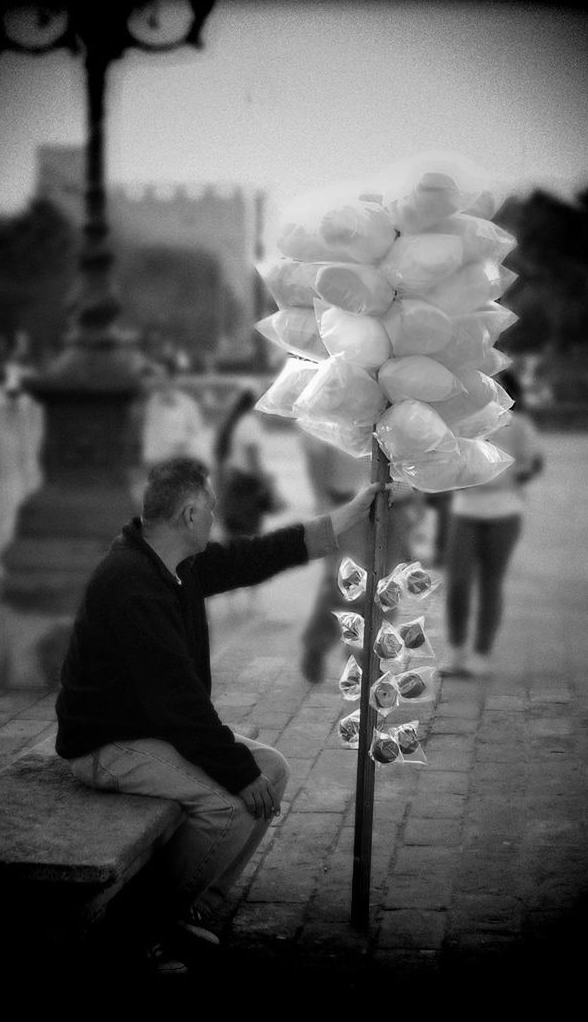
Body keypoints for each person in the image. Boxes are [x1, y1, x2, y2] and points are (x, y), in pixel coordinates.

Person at [54, 456, 382, 976]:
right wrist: (234, 768)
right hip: (107, 744)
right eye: (209, 507)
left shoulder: (173, 562)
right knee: (228, 804)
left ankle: (191, 906)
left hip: (152, 728)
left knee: (271, 770)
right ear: (188, 515)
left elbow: (251, 557)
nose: (215, 516)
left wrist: (342, 520)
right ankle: (142, 932)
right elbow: (177, 703)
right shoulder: (132, 583)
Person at [439, 370, 544, 678]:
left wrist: (508, 477)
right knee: (457, 582)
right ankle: (457, 651)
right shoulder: (462, 421)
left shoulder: (520, 424)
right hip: (465, 511)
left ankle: (482, 652)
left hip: (504, 512)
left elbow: (535, 462)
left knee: (490, 583)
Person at [298, 430, 425, 683]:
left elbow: (421, 452)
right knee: (347, 583)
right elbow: (316, 449)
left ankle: (368, 656)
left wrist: (418, 502)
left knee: (386, 588)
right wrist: (323, 502)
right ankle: (321, 642)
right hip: (346, 504)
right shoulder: (340, 403)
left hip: (396, 504)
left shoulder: (403, 401)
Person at [213, 387, 283, 541]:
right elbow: (254, 462)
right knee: (246, 544)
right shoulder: (250, 424)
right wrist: (272, 490)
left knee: (233, 542)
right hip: (247, 493)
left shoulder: (236, 422)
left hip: (234, 489)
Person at [135, 362, 210, 498]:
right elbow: (150, 440)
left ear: (171, 378)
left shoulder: (188, 405)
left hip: (180, 466)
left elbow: (197, 435)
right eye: (155, 377)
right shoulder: (151, 404)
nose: (157, 380)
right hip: (157, 467)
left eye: (160, 376)